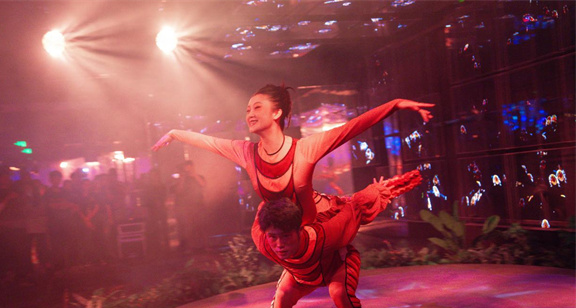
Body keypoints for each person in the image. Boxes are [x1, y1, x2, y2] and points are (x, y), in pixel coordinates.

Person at [152, 83, 434, 224]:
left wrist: (396, 104)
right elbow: (208, 142)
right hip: (290, 241)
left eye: (257, 107)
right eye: (248, 109)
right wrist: (175, 133)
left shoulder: (305, 149)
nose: (250, 114)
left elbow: (352, 127)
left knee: (339, 293)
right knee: (284, 298)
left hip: (320, 227)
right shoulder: (245, 152)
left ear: (276, 113)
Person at [250, 170, 422, 308]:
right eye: (273, 237)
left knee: (339, 294)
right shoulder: (262, 240)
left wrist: (388, 188)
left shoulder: (326, 234)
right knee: (281, 298)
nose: (279, 244)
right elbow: (264, 203)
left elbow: (355, 205)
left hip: (336, 263)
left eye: (286, 236)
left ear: (299, 230)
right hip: (302, 273)